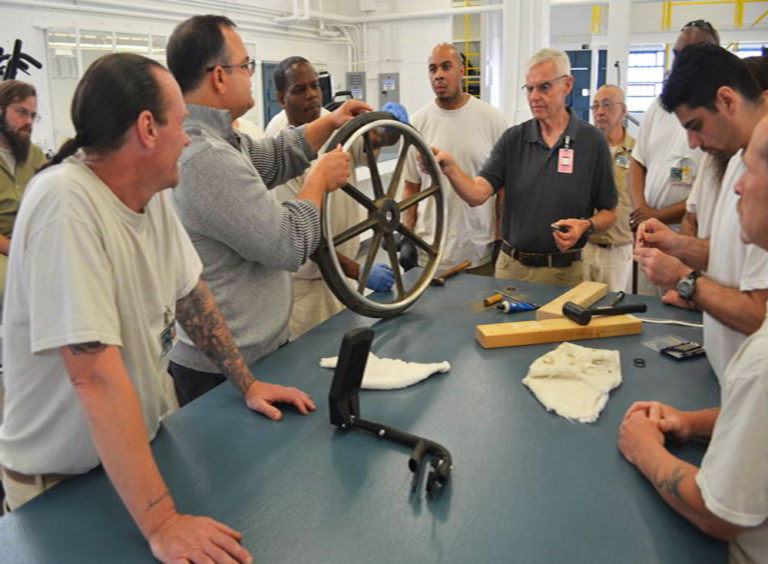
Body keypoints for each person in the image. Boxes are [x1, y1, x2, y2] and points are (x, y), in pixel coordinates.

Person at [0, 53, 314, 563]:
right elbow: (92, 376)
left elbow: (191, 296)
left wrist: (247, 382)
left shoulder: (148, 194)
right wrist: (163, 521)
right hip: (60, 486)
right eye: (181, 125)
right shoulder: (65, 203)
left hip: (129, 460)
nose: (188, 139)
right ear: (147, 127)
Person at [165, 15, 371, 404]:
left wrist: (330, 122)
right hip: (225, 373)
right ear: (219, 77)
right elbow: (288, 245)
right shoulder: (205, 157)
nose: (249, 74)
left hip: (251, 355)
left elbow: (273, 156)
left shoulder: (219, 139)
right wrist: (318, 181)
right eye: (245, 65)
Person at [618, 112, 768, 564]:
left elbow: (719, 514)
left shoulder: (762, 361)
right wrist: (693, 422)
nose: (738, 186)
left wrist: (644, 450)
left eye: (754, 169)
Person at [634, 44, 768, 382]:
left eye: (696, 125)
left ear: (726, 100)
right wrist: (677, 245)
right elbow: (735, 259)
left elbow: (759, 315)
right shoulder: (738, 157)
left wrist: (683, 279)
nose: (692, 143)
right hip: (733, 381)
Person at [432, 48, 617, 288]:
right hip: (511, 270)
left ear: (567, 85)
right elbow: (477, 194)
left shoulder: (592, 142)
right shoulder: (514, 139)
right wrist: (450, 167)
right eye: (529, 89)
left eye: (544, 87)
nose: (534, 97)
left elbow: (609, 212)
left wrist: (585, 225)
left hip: (565, 273)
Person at [266, 56, 396, 339]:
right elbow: (299, 233)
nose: (312, 95)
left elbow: (371, 141)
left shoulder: (331, 120)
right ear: (280, 98)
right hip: (308, 288)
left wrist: (390, 129)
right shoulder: (278, 142)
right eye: (300, 90)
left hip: (342, 278)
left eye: (315, 86)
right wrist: (357, 270)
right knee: (312, 367)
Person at [401, 43, 507, 275]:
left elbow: (502, 191)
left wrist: (501, 238)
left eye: (446, 67)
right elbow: (411, 186)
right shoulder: (417, 123)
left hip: (478, 252)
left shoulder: (492, 120)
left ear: (461, 71)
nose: (438, 75)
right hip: (428, 252)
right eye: (432, 69)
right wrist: (407, 235)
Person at [629, 21, 717, 295]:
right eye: (677, 54)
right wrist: (643, 211)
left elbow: (708, 188)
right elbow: (637, 160)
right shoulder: (660, 104)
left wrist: (659, 215)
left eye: (687, 54)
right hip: (650, 232)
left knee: (682, 315)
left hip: (689, 236)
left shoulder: (717, 109)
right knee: (645, 311)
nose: (679, 62)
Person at [583, 84, 634, 292]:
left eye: (607, 105)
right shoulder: (583, 149)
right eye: (595, 107)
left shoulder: (638, 153)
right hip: (585, 247)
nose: (600, 112)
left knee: (611, 314)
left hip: (618, 250)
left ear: (623, 109)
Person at [0, 80, 47, 302]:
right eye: (21, 113)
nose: (28, 122)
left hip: (32, 241)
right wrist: (18, 250)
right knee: (15, 285)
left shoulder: (35, 155)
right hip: (5, 246)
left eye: (32, 116)